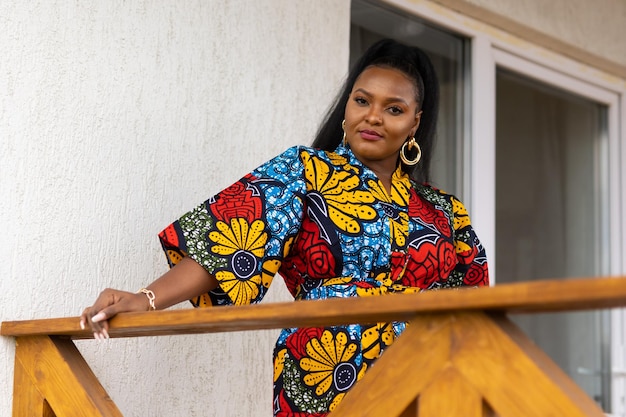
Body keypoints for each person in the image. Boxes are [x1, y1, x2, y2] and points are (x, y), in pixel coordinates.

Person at [81, 38, 489, 416]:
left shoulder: (445, 211)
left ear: (415, 124)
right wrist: (146, 298)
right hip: (326, 370)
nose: (373, 117)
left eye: (393, 109)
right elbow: (231, 243)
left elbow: (475, 312)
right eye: (362, 100)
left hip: (425, 379)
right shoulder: (305, 172)